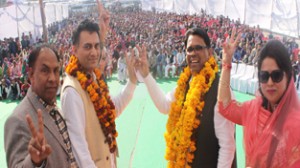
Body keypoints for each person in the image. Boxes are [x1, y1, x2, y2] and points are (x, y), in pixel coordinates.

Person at [136, 28, 236, 167]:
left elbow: (227, 147)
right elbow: (164, 105)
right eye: (189, 49)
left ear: (210, 52)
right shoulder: (186, 83)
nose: (193, 53)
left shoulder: (221, 89)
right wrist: (146, 74)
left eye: (198, 48)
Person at [61, 2, 138, 167]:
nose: (94, 52)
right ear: (74, 50)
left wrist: (132, 82)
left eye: (97, 46)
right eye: (87, 47)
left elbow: (112, 109)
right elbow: (79, 150)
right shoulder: (72, 91)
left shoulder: (92, 77)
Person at [218, 27, 300, 168]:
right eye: (264, 76)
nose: (269, 83)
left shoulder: (296, 124)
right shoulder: (253, 110)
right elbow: (225, 107)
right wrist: (226, 64)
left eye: (276, 75)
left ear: (288, 76)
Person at [4, 45, 78, 167]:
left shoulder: (53, 107)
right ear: (31, 75)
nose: (53, 78)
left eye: (56, 71)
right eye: (45, 70)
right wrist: (35, 162)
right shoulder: (17, 121)